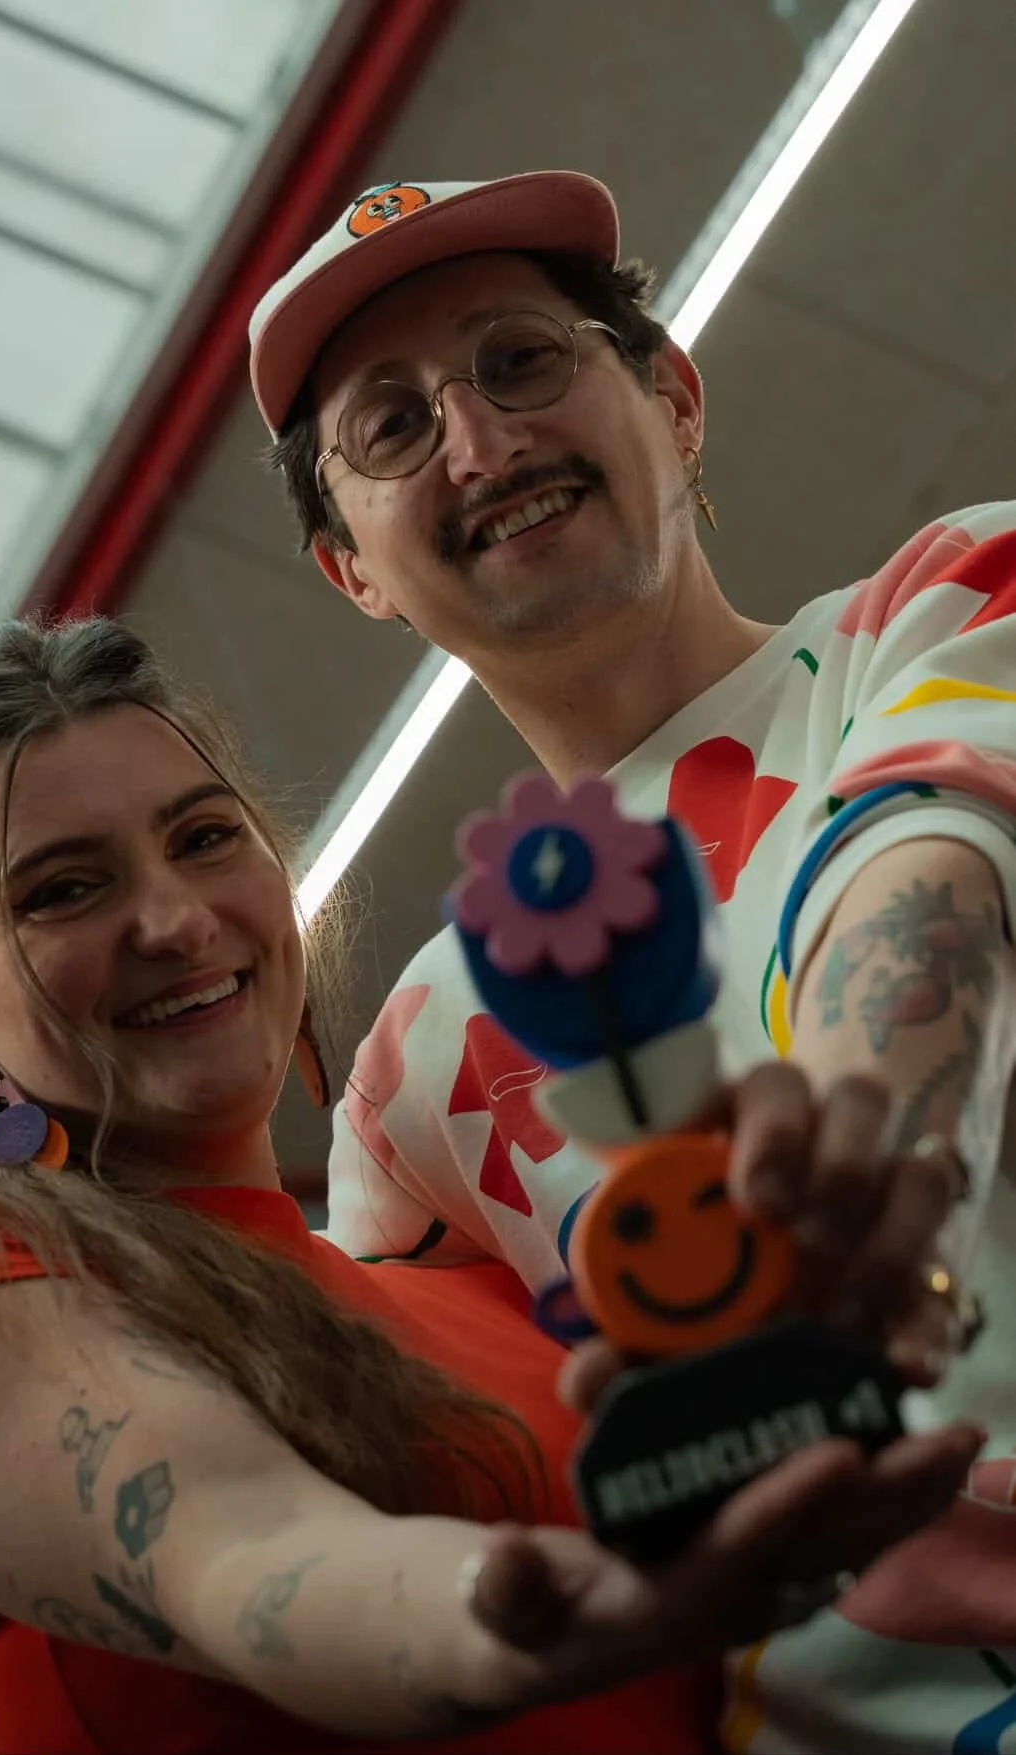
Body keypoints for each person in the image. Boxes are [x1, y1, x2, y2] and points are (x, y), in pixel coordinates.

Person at [0, 618, 980, 1755]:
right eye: (62, 890)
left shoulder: (491, 1294)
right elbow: (247, 1551)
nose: (179, 921)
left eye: (204, 837)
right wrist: (517, 1616)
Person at [252, 173, 1016, 1751]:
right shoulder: (409, 1073)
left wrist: (864, 1149)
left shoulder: (949, 597)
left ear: (670, 397)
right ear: (352, 571)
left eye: (521, 360)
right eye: (392, 426)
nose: (479, 443)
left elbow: (924, 861)